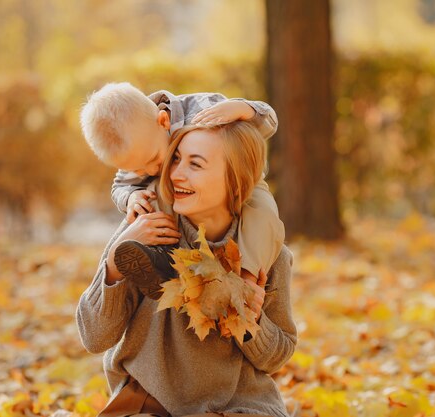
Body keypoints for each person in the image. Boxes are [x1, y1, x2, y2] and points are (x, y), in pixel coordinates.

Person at [76, 121, 297, 417]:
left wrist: (250, 323)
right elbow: (94, 338)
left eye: (196, 164)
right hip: (150, 402)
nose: (176, 173)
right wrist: (115, 264)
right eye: (176, 158)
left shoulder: (267, 254)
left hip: (238, 405)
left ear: (236, 179)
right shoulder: (146, 228)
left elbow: (276, 358)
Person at [80, 82, 284, 296]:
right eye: (137, 169)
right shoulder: (140, 150)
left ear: (163, 121)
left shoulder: (203, 108)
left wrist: (242, 109)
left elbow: (268, 123)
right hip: (180, 196)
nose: (150, 170)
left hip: (242, 179)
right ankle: (159, 262)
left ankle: (247, 278)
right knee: (149, 198)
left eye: (152, 160)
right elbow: (120, 185)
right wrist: (130, 197)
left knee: (263, 212)